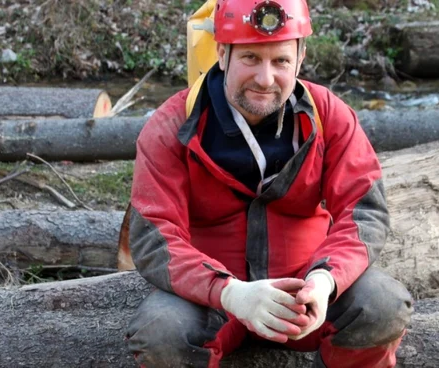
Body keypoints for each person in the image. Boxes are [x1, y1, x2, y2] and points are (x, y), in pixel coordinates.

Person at [125, 0, 413, 366]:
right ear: (222, 53)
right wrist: (229, 293)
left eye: (280, 61)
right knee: (160, 332)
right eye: (250, 59)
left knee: (382, 305)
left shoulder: (328, 115)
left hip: (305, 295)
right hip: (213, 300)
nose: (265, 79)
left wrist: (325, 282)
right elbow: (155, 237)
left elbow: (364, 211)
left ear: (301, 56)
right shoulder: (171, 126)